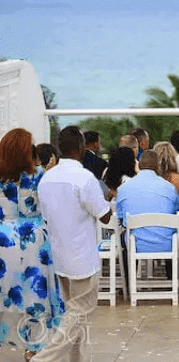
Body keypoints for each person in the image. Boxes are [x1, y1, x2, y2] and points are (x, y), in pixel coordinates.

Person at [36, 125, 112, 362]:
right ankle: (43, 358)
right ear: (81, 148)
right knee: (78, 315)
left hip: (58, 255)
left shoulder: (46, 179)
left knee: (76, 315)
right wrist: (106, 198)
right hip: (82, 258)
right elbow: (104, 215)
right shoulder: (85, 178)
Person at [0, 129, 65, 360]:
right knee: (36, 296)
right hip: (33, 241)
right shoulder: (40, 176)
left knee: (4, 293)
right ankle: (33, 347)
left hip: (3, 239)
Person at [116, 150, 179, 253]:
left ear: (139, 166)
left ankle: (130, 269)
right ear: (157, 166)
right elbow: (176, 213)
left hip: (135, 245)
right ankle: (171, 269)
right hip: (167, 244)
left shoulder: (123, 188)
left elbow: (121, 219)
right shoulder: (170, 188)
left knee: (124, 236)